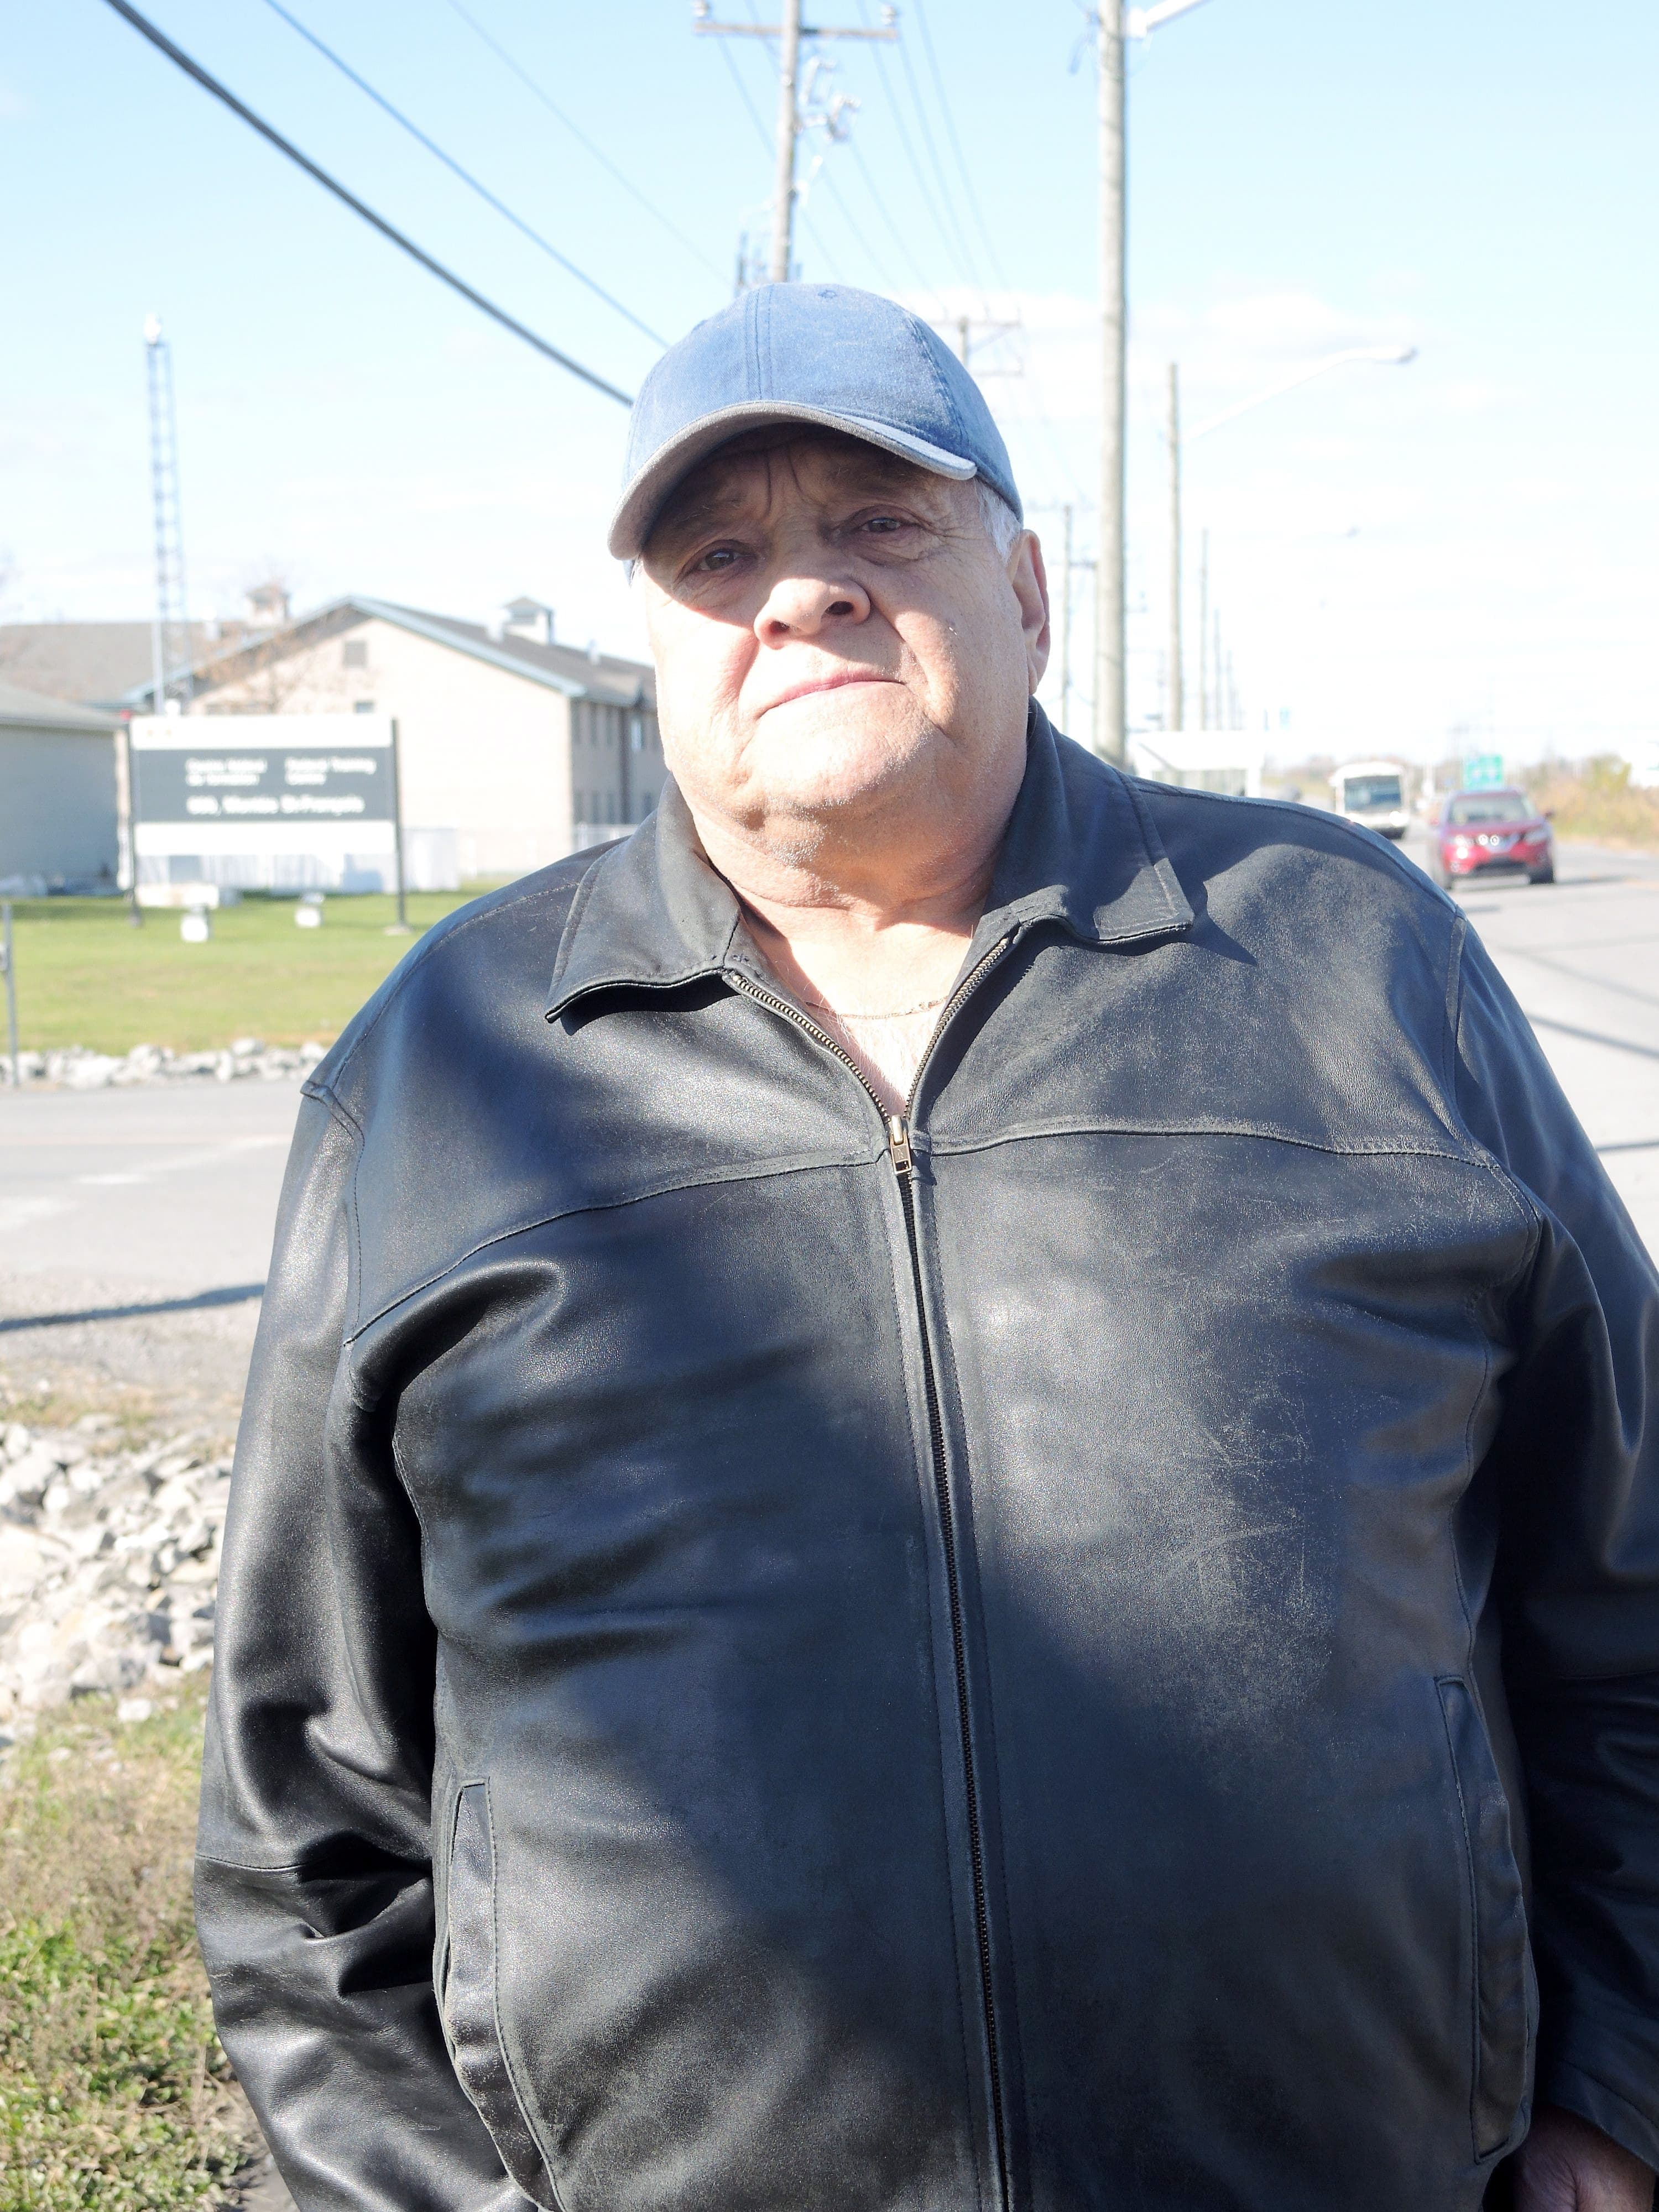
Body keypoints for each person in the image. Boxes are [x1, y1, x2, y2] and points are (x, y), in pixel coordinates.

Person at [197, 284, 1659, 2211]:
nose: (797, 592)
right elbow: (307, 1819)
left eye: (881, 523)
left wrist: (1614, 2099)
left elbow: (1628, 1603)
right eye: (719, 554)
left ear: (1029, 591)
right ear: (657, 648)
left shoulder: (1356, 961)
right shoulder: (449, 1068)